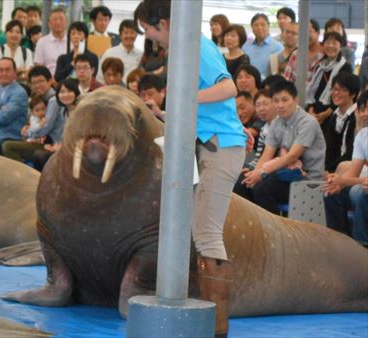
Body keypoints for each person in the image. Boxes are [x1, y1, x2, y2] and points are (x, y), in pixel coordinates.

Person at [135, 1, 250, 337]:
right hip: (207, 146)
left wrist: (186, 97)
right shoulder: (185, 49)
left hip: (221, 147)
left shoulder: (198, 46)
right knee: (199, 231)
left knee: (207, 233)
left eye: (150, 30)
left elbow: (229, 87)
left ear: (165, 23)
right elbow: (195, 110)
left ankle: (218, 327)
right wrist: (165, 114)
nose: (151, 38)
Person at [241, 80, 326, 214]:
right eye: (276, 100)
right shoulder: (276, 123)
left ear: (296, 100)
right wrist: (255, 174)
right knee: (242, 183)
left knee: (261, 189)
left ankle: (274, 232)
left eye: (285, 100)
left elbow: (292, 156)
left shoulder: (308, 122)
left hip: (306, 181)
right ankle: (253, 230)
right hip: (284, 176)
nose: (280, 105)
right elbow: (266, 155)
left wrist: (262, 173)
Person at [323, 91, 368, 244]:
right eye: (362, 109)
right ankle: (340, 241)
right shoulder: (363, 136)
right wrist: (338, 181)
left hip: (363, 190)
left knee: (359, 192)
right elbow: (353, 174)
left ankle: (361, 245)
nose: (365, 114)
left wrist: (346, 181)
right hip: (364, 185)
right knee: (331, 190)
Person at [32, 78, 80, 171]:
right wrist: (50, 144)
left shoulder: (80, 110)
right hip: (62, 148)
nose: (65, 95)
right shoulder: (65, 110)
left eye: (69, 91)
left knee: (41, 156)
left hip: (76, 152)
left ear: (76, 92)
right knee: (39, 155)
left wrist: (62, 147)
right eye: (62, 92)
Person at [305, 31, 352, 125]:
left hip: (334, 115)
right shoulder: (319, 66)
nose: (330, 46)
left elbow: (344, 95)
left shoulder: (345, 67)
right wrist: (310, 110)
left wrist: (326, 114)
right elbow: (312, 92)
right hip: (314, 114)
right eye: (327, 42)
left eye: (334, 43)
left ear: (340, 46)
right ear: (323, 45)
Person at [322, 72, 360, 172]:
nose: (336, 93)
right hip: (331, 170)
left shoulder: (357, 117)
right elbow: (329, 148)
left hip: (350, 170)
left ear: (353, 94)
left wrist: (327, 170)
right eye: (334, 89)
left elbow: (350, 154)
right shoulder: (334, 117)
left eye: (343, 90)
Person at [97, 19, 143, 84]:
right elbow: (100, 77)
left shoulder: (141, 55)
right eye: (126, 32)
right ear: (120, 35)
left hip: (133, 92)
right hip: (113, 91)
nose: (129, 36)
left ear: (137, 34)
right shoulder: (109, 53)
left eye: (132, 32)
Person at [283, 19, 324, 85]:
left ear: (318, 33)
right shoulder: (296, 54)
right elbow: (286, 80)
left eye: (309, 32)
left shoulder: (326, 54)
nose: (305, 36)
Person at [242, 13, 283, 79]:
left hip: (267, 85)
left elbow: (279, 72)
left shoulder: (278, 47)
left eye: (263, 25)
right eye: (256, 25)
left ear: (268, 26)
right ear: (252, 28)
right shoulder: (246, 46)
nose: (259, 28)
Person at [34, 8, 68, 77]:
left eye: (61, 19)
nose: (58, 22)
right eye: (55, 19)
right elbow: (39, 67)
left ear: (66, 22)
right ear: (49, 23)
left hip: (70, 82)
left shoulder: (73, 41)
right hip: (49, 82)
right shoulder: (42, 42)